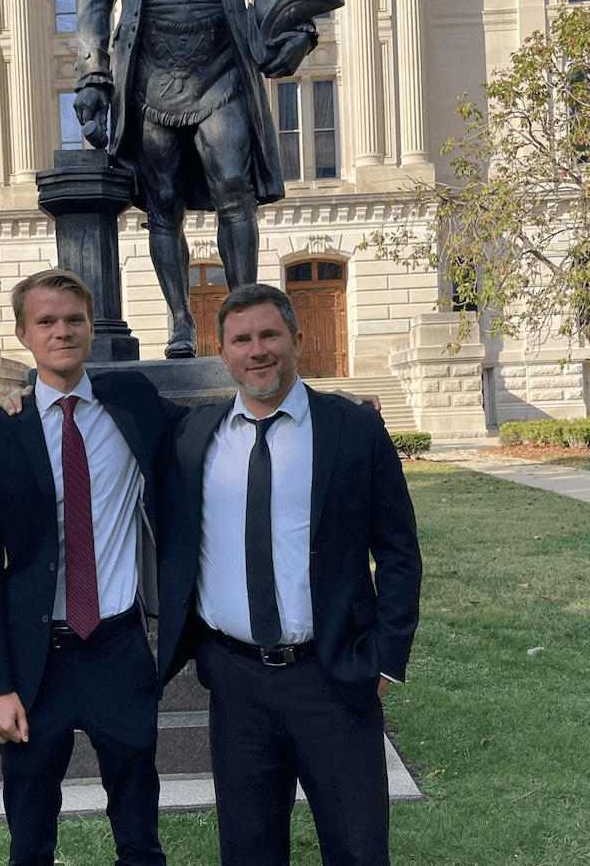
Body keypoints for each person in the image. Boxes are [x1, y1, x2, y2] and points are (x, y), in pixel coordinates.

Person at [156, 283, 422, 866]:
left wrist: (383, 658)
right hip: (234, 681)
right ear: (221, 352)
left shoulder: (352, 429)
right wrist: (25, 398)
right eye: (241, 339)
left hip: (332, 675)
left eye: (269, 334)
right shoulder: (191, 435)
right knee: (249, 852)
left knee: (356, 849)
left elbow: (399, 551)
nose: (258, 351)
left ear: (296, 339)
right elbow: (106, 397)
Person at [74, 0, 338, 358]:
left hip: (221, 72)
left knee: (234, 189)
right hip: (149, 83)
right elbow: (96, 5)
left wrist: (295, 32)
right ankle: (179, 322)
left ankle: (244, 313)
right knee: (161, 204)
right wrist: (93, 76)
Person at [0, 268, 183, 866]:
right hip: (37, 664)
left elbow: (204, 426)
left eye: (74, 320)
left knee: (140, 830)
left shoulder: (132, 401)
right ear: (22, 334)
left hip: (118, 649)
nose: (62, 331)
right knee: (30, 837)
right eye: (46, 321)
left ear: (90, 329)